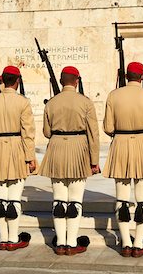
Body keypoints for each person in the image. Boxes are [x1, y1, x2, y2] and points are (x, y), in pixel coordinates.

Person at [103, 62, 143, 258]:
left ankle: (126, 243)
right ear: (142, 76)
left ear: (126, 76)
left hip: (120, 144)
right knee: (142, 199)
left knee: (122, 198)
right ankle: (138, 243)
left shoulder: (114, 95)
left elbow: (108, 127)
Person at [38, 66, 100, 256]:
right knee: (75, 200)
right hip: (78, 148)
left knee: (58, 199)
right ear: (77, 81)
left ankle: (60, 242)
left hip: (56, 148)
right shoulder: (85, 102)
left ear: (61, 80)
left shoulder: (51, 103)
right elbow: (93, 134)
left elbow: (47, 132)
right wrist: (94, 160)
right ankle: (71, 243)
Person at [0, 65, 36, 251]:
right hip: (16, 147)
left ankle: (3, 239)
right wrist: (30, 157)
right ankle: (13, 239)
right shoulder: (23, 102)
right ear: (17, 81)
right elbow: (28, 132)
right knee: (14, 197)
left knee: (1, 196)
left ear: (3, 80)